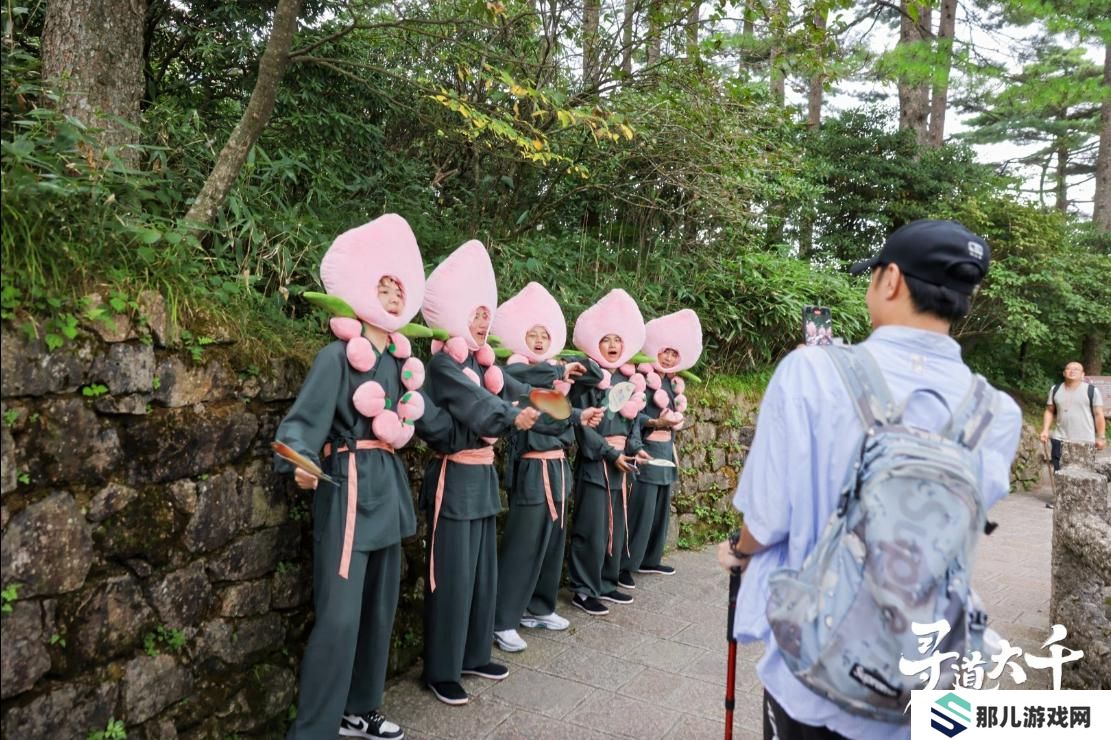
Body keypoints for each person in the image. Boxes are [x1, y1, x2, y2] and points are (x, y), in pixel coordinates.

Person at [717, 219, 1022, 739]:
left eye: (872, 274)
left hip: (813, 669)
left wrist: (740, 551)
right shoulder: (996, 412)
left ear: (892, 281)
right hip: (922, 671)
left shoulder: (811, 371)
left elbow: (769, 518)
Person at [276, 214, 441, 740]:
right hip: (346, 487)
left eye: (399, 287)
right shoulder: (335, 357)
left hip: (387, 488)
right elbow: (301, 425)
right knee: (340, 617)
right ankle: (315, 728)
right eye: (383, 285)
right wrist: (301, 462)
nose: (393, 295)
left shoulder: (401, 362)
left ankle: (359, 709)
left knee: (379, 610)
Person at [416, 242, 583, 705]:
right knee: (449, 576)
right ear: (454, 315)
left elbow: (519, 393)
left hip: (483, 479)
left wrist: (564, 412)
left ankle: (471, 654)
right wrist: (511, 417)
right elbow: (481, 407)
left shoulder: (483, 363)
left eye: (486, 314)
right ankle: (440, 669)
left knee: (480, 573)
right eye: (475, 314)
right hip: (453, 478)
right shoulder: (445, 364)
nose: (483, 322)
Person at [489, 282, 603, 653]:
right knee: (523, 543)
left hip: (557, 469)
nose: (538, 340)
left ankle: (538, 607)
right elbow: (536, 408)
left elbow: (595, 376)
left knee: (553, 541)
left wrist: (574, 399)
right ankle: (502, 619)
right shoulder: (513, 371)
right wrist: (558, 371)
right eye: (531, 334)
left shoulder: (554, 375)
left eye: (545, 335)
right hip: (532, 469)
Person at [567, 289, 650, 616]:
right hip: (596, 461)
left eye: (618, 339)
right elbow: (582, 425)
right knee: (592, 526)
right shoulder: (587, 379)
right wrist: (606, 452)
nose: (613, 345)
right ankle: (582, 588)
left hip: (621, 461)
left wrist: (636, 449)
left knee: (616, 522)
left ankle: (605, 580)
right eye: (606, 339)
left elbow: (630, 422)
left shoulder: (626, 377)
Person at [621, 309, 701, 588]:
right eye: (664, 352)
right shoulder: (642, 378)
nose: (667, 358)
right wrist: (656, 421)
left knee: (659, 509)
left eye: (673, 354)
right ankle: (626, 563)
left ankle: (650, 558)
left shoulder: (673, 382)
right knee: (640, 509)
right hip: (647, 447)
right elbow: (632, 416)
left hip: (667, 449)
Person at [1039, 361, 1106, 471]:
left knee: (1083, 478)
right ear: (1064, 373)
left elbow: (1098, 414)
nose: (1072, 371)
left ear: (1083, 374)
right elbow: (1049, 410)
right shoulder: (1055, 389)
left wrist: (1101, 437)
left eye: (1076, 369)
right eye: (1069, 369)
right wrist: (1045, 430)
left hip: (1084, 441)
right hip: (1059, 440)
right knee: (1059, 475)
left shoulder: (1092, 391)